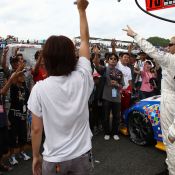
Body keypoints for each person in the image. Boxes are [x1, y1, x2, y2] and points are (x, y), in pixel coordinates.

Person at [28, 0, 94, 175]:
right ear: (71, 56)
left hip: (54, 159)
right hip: (82, 154)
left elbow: (36, 129)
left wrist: (36, 156)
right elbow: (85, 41)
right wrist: (81, 11)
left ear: (46, 60)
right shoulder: (82, 77)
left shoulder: (39, 89)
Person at [123, 25, 175, 175]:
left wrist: (134, 35)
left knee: (170, 141)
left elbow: (151, 49)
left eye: (170, 44)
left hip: (170, 101)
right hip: (167, 96)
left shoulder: (170, 60)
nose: (168, 46)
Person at [0, 65, 25, 174]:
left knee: (3, 145)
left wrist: (6, 119)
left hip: (2, 119)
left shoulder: (23, 88)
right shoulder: (7, 87)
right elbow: (3, 92)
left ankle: (0, 164)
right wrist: (10, 79)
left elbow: (3, 94)